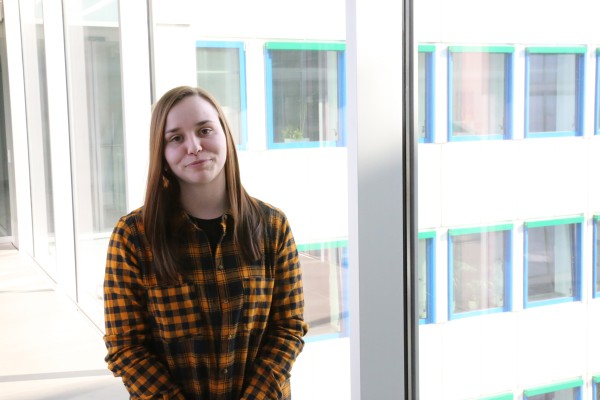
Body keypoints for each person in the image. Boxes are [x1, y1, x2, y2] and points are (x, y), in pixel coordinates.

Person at [103, 86, 308, 399]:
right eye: (176, 138)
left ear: (225, 134)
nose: (194, 146)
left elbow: (288, 327)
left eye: (205, 130)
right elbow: (126, 347)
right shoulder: (133, 235)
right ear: (162, 152)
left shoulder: (273, 225)